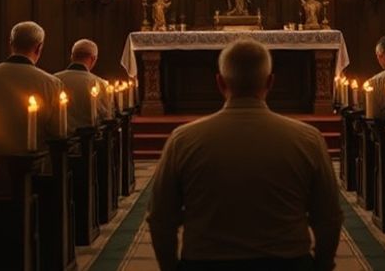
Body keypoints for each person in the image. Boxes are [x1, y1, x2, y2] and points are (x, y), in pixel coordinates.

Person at [147, 39, 343, 270]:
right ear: (270, 82)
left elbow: (161, 217)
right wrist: (322, 264)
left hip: (204, 262)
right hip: (288, 262)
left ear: (220, 83)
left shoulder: (183, 140)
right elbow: (328, 216)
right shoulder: (308, 139)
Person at [0, 21, 63, 163]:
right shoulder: (51, 83)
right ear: (39, 48)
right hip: (34, 166)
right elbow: (57, 132)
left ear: (11, 44)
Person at [54, 39, 110, 134]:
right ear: (93, 59)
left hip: (59, 138)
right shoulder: (99, 83)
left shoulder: (54, 80)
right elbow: (105, 115)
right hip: (89, 138)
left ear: (72, 57)